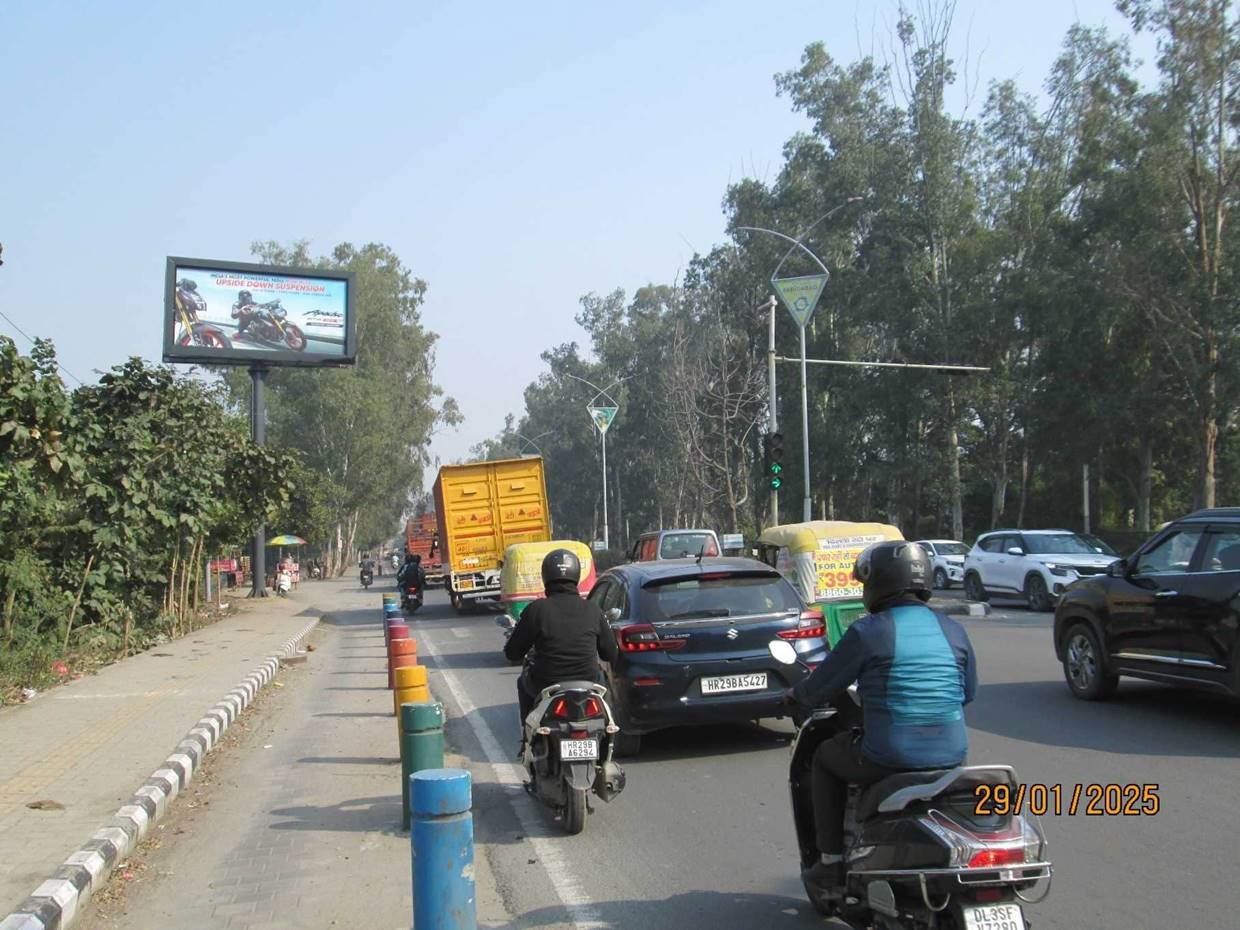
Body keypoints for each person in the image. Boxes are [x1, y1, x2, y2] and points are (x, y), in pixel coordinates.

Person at [787, 540, 977, 895]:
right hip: (953, 755)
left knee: (826, 758)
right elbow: (967, 693)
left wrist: (794, 697)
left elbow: (818, 689)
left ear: (878, 583)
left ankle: (830, 862)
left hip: (890, 756)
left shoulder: (869, 631)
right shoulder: (953, 630)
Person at [503, 548, 618, 755]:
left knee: (522, 681)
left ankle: (527, 740)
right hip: (589, 683)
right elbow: (610, 654)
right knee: (604, 681)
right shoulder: (593, 609)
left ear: (545, 576)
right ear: (576, 576)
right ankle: (608, 732)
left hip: (546, 684)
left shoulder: (537, 610)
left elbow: (512, 653)